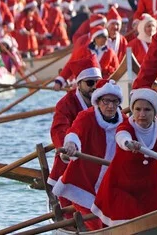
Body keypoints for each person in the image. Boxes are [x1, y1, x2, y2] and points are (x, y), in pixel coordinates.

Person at [91, 88, 157, 226]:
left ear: (154, 112)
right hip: (121, 186)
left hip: (149, 186)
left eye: (147, 110)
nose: (142, 114)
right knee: (129, 223)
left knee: (155, 223)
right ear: (132, 110)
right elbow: (121, 137)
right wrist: (128, 144)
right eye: (137, 109)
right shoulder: (126, 126)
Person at [54, 79, 124, 227]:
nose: (110, 106)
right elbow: (74, 132)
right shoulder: (85, 117)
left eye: (114, 101)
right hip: (82, 184)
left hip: (109, 185)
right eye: (106, 101)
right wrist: (71, 145)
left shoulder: (124, 122)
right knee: (98, 224)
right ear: (98, 101)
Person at [47, 58, 102, 187]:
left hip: (99, 161)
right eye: (89, 83)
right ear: (79, 83)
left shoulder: (107, 101)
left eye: (98, 83)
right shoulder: (66, 104)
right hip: (72, 161)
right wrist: (68, 145)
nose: (94, 87)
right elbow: (59, 129)